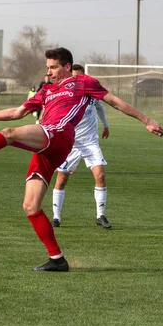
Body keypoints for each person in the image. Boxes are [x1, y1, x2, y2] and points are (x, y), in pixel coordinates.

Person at [0, 47, 163, 272]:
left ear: (67, 67)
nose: (48, 72)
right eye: (47, 67)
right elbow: (18, 112)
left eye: (53, 67)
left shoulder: (83, 82)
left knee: (9, 135)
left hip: (59, 135)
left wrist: (147, 120)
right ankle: (57, 259)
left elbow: (115, 102)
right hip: (46, 145)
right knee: (30, 207)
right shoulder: (46, 91)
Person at [51, 64, 112, 229]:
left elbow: (99, 106)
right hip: (71, 143)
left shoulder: (90, 93)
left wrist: (105, 125)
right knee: (62, 179)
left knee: (100, 176)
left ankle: (101, 215)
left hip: (90, 142)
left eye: (79, 77)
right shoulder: (67, 95)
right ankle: (56, 217)